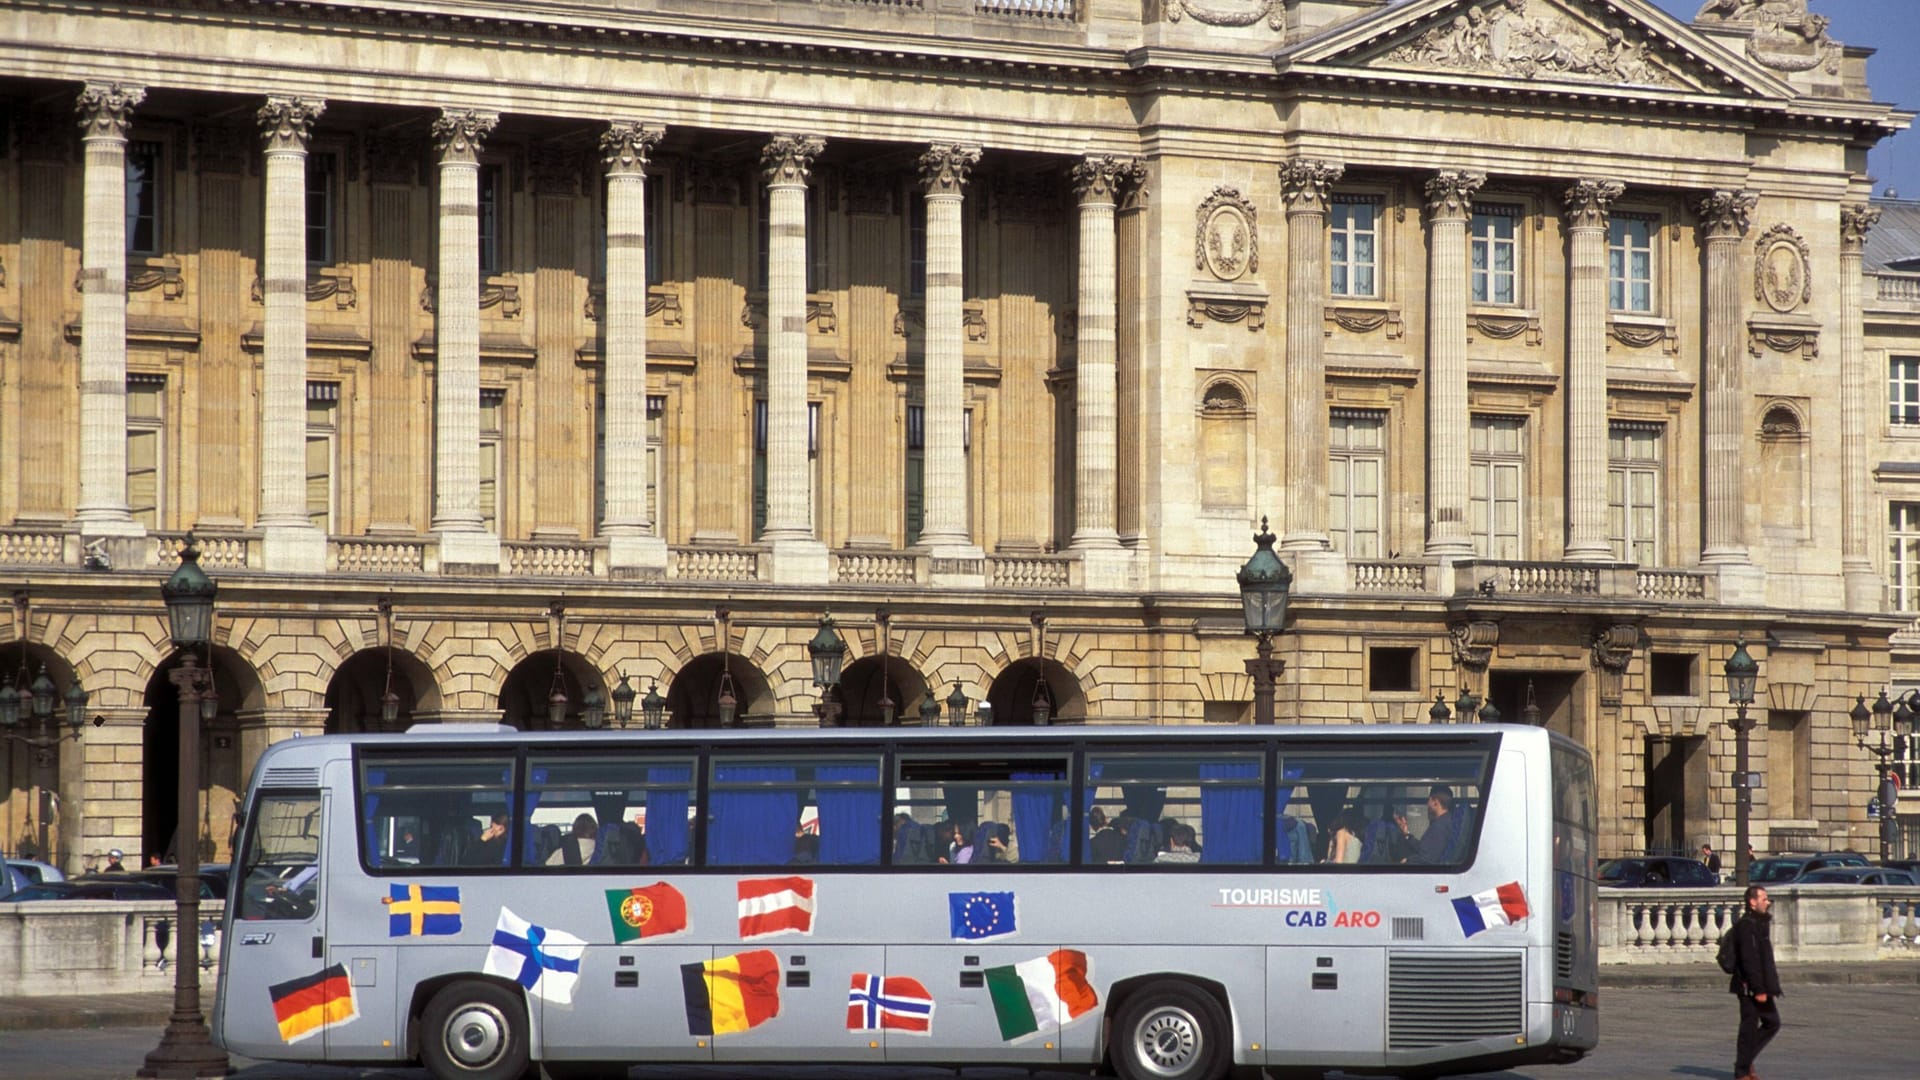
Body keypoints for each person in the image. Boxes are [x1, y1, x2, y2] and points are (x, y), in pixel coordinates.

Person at [1729, 884, 1783, 1080]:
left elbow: (1765, 959)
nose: (1767, 903)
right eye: (1764, 899)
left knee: (1772, 1023)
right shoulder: (1747, 925)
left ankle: (1745, 1060)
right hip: (1749, 987)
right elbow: (1749, 960)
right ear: (1752, 902)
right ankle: (1741, 1071)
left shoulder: (1760, 923)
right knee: (1749, 1027)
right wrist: (1758, 988)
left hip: (1762, 985)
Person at [1415, 786, 1461, 863]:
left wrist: (1408, 860)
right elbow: (1426, 848)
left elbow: (1428, 859)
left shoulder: (1439, 827)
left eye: (1429, 800)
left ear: (1435, 802)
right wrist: (1407, 835)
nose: (1427, 804)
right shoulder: (1445, 821)